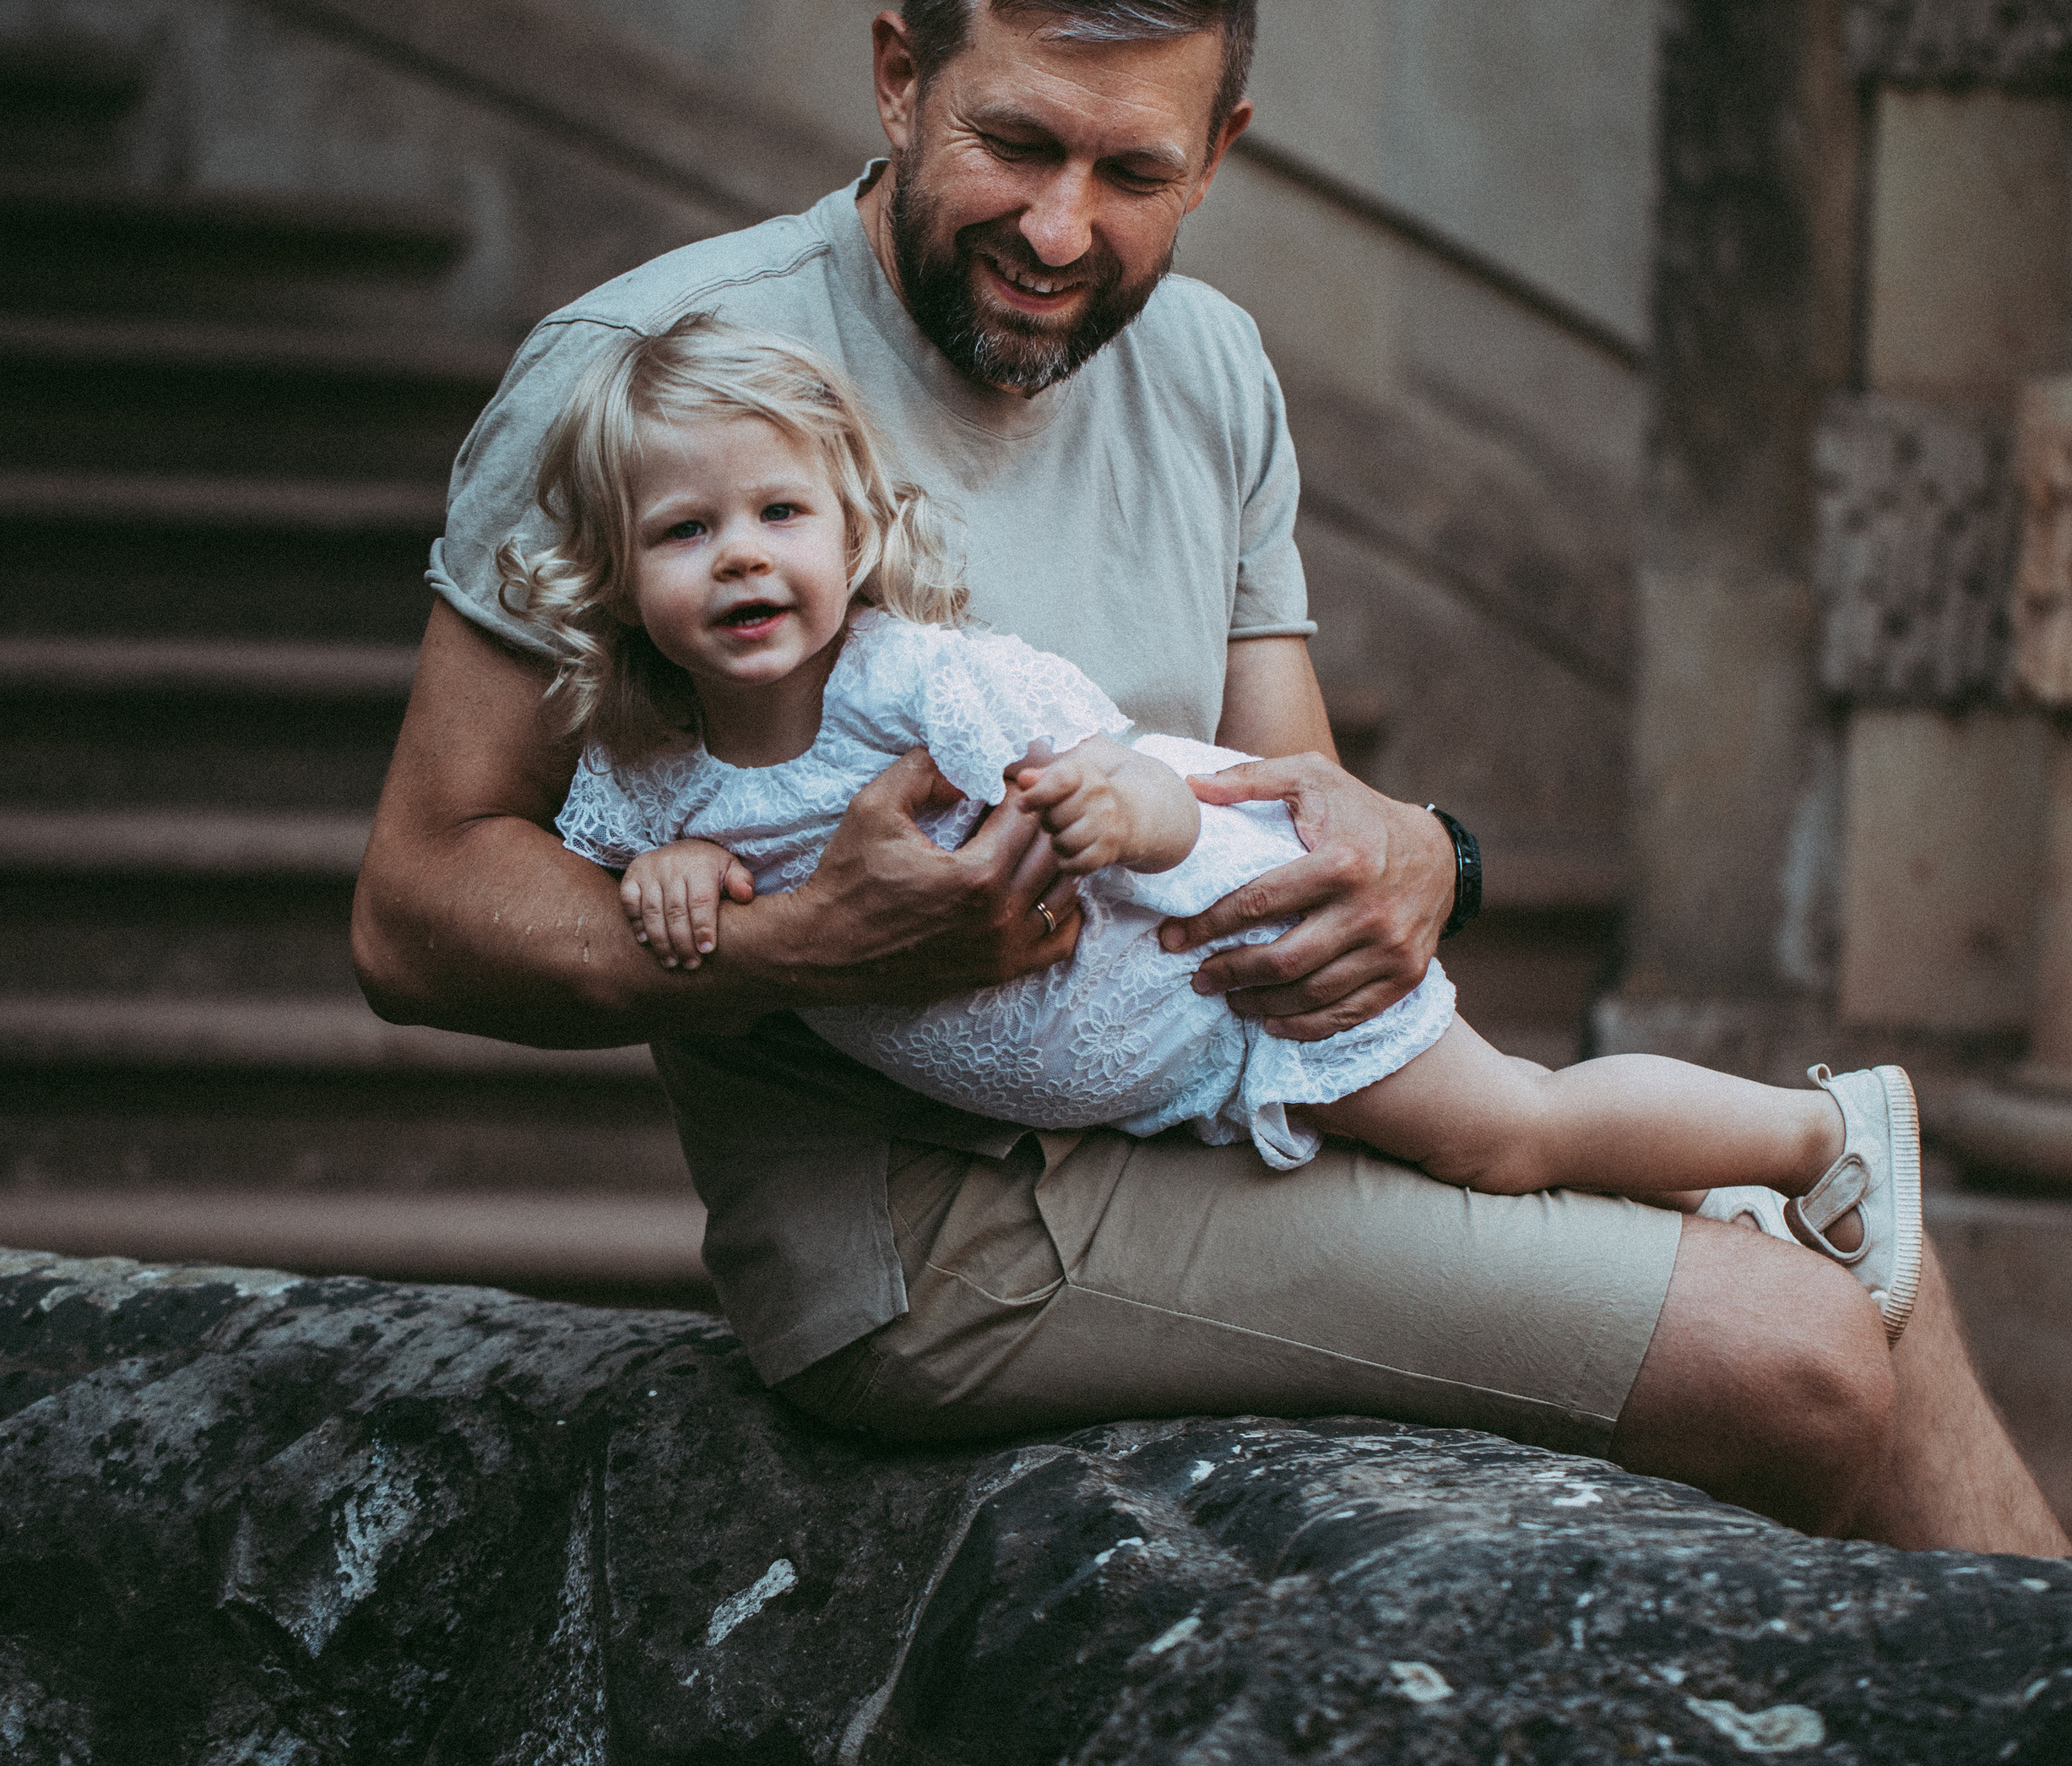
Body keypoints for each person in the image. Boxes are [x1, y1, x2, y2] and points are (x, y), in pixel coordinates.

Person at [353, 0, 2069, 1554]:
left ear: (1218, 154)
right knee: (1797, 1357)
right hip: (937, 1227)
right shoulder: (647, 386)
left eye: (1130, 171)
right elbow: (417, 912)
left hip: (1211, 1082)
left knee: (1850, 1237)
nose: (1057, 229)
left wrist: (1423, 855)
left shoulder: (1210, 364)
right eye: (1015, 143)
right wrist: (798, 946)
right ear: (898, 79)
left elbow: (1283, 800)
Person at [507, 312, 1929, 1340]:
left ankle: (1819, 1133)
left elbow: (1146, 779)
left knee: (1510, 1131)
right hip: (1158, 1084)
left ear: (851, 532)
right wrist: (675, 873)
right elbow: (614, 874)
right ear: (617, 578)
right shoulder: (649, 773)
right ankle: (1718, 1205)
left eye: (780, 513)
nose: (742, 555)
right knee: (1470, 1162)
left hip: (1238, 978)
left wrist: (1118, 810)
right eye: (687, 531)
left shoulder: (921, 686)